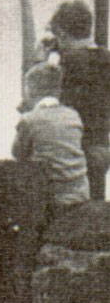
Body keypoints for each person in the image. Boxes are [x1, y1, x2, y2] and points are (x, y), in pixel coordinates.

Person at [48, 0, 110, 200]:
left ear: (62, 33)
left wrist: (42, 61)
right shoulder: (107, 59)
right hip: (101, 149)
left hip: (69, 153)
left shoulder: (65, 65)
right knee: (94, 211)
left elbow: (45, 109)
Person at [13, 61, 90, 212]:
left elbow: (18, 153)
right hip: (79, 194)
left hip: (49, 196)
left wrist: (25, 116)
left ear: (31, 90)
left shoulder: (29, 119)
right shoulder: (73, 116)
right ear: (59, 90)